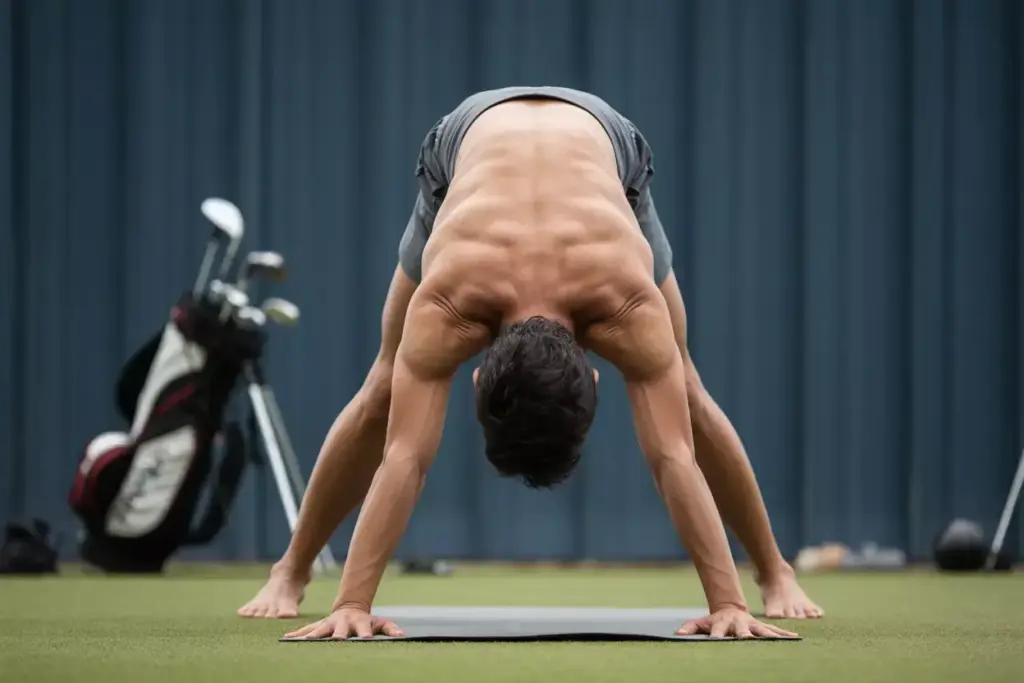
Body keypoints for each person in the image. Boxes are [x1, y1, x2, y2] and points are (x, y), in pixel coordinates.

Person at [237, 86, 823, 638]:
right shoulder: (447, 299)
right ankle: (292, 567)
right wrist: (350, 606)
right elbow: (403, 454)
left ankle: (775, 571)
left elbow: (675, 454)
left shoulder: (629, 300)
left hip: (605, 150)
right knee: (386, 383)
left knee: (684, 388)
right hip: (466, 147)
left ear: (475, 380)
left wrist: (728, 605)